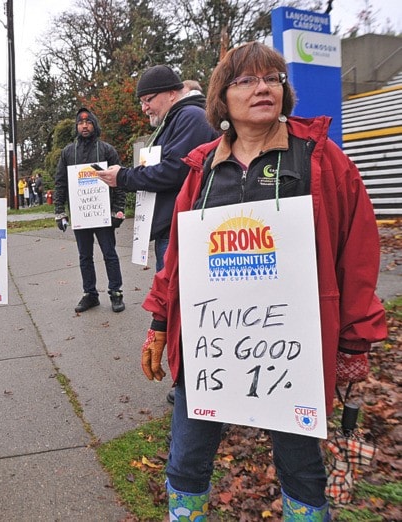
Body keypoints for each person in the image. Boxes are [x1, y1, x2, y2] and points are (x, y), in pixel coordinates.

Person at [139, 42, 387, 520]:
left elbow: (356, 254)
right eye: (247, 80)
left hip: (293, 348)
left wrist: (355, 341)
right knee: (187, 458)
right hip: (209, 344)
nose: (263, 88)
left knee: (301, 465)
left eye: (273, 78)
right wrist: (158, 319)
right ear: (222, 98)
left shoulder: (319, 159)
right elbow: (177, 260)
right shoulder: (202, 169)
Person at [95, 65, 217, 273]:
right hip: (173, 226)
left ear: (171, 94)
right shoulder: (179, 119)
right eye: (142, 102)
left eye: (148, 100)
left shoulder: (190, 117)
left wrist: (123, 177)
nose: (144, 108)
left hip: (180, 227)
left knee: (175, 298)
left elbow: (173, 171)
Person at [54, 107, 127, 313]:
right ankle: (90, 294)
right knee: (84, 256)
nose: (84, 126)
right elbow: (61, 184)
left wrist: (118, 209)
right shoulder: (68, 152)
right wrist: (59, 211)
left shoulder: (106, 150)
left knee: (109, 253)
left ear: (94, 125)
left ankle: (116, 292)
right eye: (80, 123)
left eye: (88, 122)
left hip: (103, 214)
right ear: (76, 127)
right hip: (81, 214)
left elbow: (119, 180)